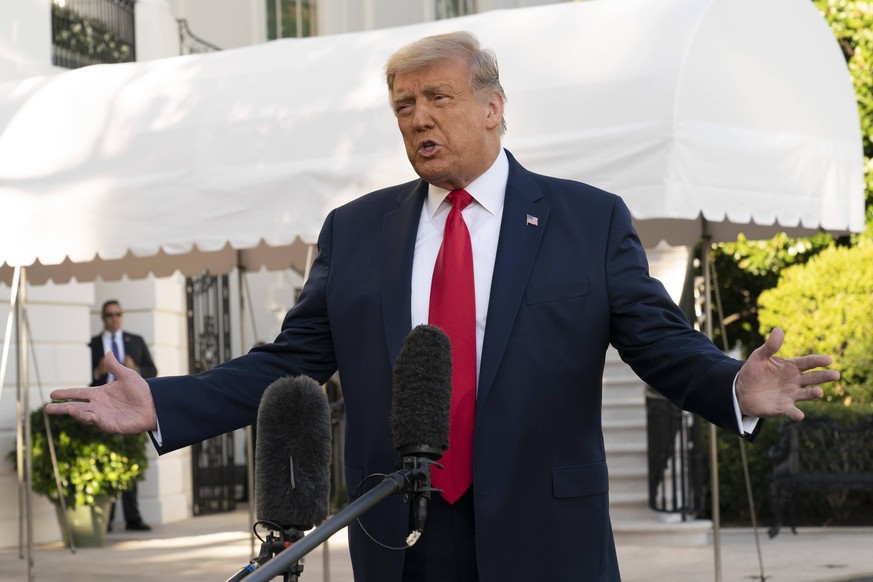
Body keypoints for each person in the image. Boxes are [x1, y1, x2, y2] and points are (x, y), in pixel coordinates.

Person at [49, 32, 838, 581]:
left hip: (543, 534)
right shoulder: (357, 232)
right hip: (399, 531)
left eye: (437, 98)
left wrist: (732, 385)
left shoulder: (584, 219)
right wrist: (164, 401)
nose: (418, 118)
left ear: (494, 107)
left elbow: (657, 340)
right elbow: (290, 362)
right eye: (402, 106)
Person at [89, 299, 156, 532]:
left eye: (117, 313)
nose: (114, 318)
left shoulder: (135, 341)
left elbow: (152, 370)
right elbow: (83, 375)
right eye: (109, 315)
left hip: (131, 410)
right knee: (104, 464)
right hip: (104, 410)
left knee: (131, 465)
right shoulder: (93, 344)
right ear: (103, 318)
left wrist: (136, 368)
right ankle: (106, 519)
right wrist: (96, 372)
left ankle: (132, 518)